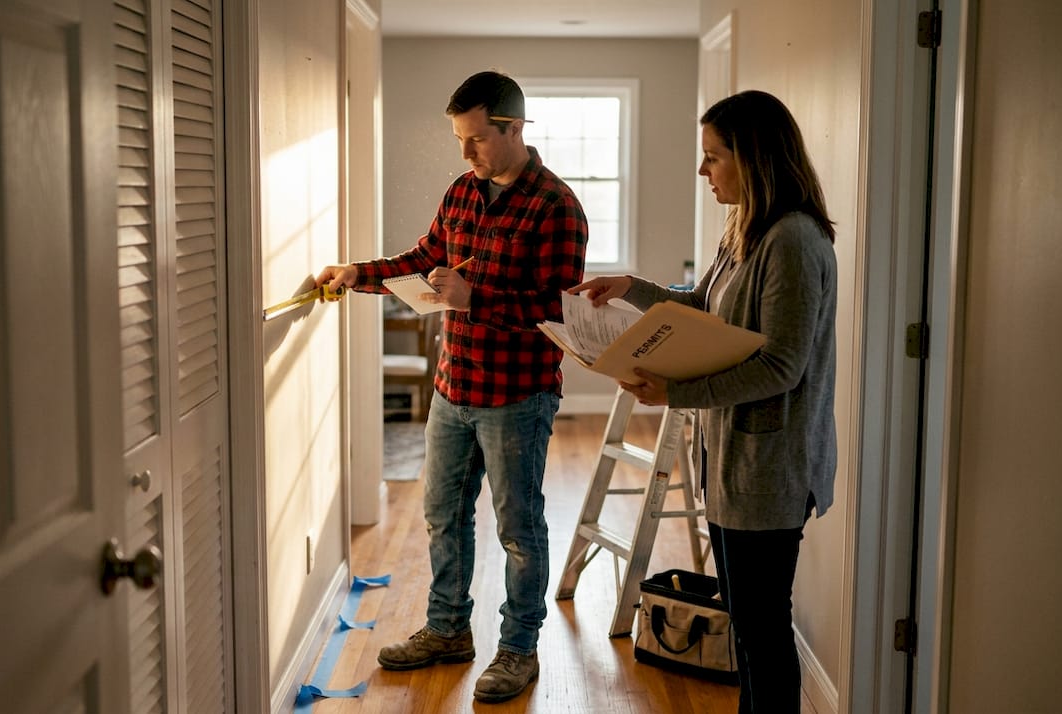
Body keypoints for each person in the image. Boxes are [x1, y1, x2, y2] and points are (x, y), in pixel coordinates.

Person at [315, 70, 587, 704]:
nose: (465, 154)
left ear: (514, 128)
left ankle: (519, 650)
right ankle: (447, 632)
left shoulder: (557, 206)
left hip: (518, 395)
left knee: (519, 529)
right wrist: (357, 272)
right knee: (443, 516)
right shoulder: (463, 191)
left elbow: (559, 308)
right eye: (460, 140)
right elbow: (420, 260)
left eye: (476, 140)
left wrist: (475, 297)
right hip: (453, 386)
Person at [570, 90, 836, 713]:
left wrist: (676, 392)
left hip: (769, 468)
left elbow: (781, 366)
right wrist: (632, 286)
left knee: (762, 631)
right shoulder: (746, 226)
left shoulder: (793, 242)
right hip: (731, 462)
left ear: (755, 158)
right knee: (746, 626)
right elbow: (707, 304)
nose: (702, 170)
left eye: (713, 157)